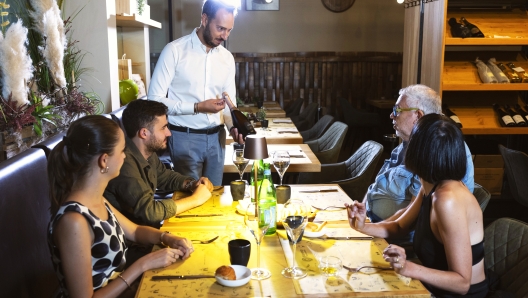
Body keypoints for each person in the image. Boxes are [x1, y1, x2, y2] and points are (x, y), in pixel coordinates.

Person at [47, 115, 195, 297]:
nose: (126, 156)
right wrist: (142, 265)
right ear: (104, 161)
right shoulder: (74, 221)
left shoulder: (97, 200)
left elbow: (135, 231)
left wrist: (168, 237)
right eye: (122, 150)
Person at [347, 114, 488, 297]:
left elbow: (462, 283)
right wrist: (362, 226)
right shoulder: (430, 185)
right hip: (433, 288)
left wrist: (408, 268)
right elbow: (399, 226)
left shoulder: (447, 200)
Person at [148, 0, 242, 186]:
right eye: (221, 28)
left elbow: (229, 105)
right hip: (184, 137)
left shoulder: (227, 58)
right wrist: (197, 107)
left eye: (229, 30)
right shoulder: (174, 51)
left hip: (217, 139)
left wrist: (233, 127)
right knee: (191, 198)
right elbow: (154, 101)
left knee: (214, 196)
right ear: (205, 19)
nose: (225, 35)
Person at [363, 84, 474, 224]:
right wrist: (362, 212)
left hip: (397, 239)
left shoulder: (436, 148)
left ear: (418, 115)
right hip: (374, 224)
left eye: (397, 110)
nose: (392, 115)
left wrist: (372, 229)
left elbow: (415, 215)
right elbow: (375, 186)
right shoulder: (409, 142)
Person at [104, 99, 213, 229]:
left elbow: (164, 176)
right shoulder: (124, 164)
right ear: (144, 133)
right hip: (135, 241)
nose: (169, 133)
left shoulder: (147, 151)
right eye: (163, 128)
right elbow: (150, 212)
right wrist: (195, 199)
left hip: (148, 231)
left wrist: (192, 184)